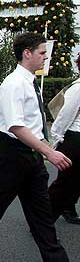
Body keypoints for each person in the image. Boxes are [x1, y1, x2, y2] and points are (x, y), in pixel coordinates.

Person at [0, 32, 80, 262]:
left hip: (30, 155)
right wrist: (49, 151)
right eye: (41, 53)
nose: (45, 57)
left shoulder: (29, 81)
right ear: (27, 53)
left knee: (42, 214)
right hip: (10, 155)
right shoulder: (14, 84)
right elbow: (16, 126)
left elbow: (32, 124)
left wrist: (41, 151)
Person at [48, 53, 80, 225]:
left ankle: (68, 208)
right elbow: (64, 117)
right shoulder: (78, 88)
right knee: (65, 183)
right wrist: (56, 141)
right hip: (74, 140)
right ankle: (44, 221)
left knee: (74, 182)